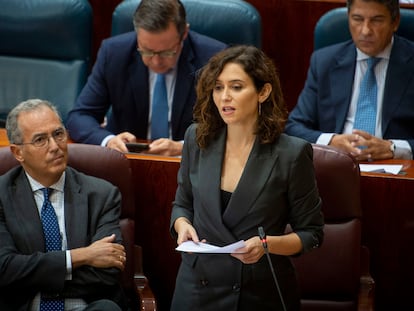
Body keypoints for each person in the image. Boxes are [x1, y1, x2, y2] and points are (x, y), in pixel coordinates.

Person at [169, 45, 324, 311]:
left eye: (236, 87)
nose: (224, 97)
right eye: (218, 87)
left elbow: (312, 234)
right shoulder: (196, 138)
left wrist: (267, 245)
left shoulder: (292, 154)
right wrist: (182, 226)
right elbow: (182, 205)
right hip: (196, 288)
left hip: (257, 291)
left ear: (263, 92)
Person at [0, 99, 127, 310]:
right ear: (17, 152)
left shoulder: (102, 194)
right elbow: (4, 269)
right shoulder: (2, 195)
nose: (55, 146)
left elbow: (108, 272)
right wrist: (81, 256)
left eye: (58, 134)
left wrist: (32, 277)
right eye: (40, 140)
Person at [66, 0, 227, 156]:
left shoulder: (213, 59)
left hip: (188, 165)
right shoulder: (114, 53)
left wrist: (183, 147)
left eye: (166, 52)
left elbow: (228, 124)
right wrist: (108, 140)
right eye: (147, 51)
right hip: (129, 162)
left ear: (184, 33)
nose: (156, 62)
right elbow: (79, 116)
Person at [285, 0, 414, 161]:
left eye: (377, 20)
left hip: (396, 172)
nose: (366, 31)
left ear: (395, 22)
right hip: (336, 166)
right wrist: (331, 142)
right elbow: (293, 127)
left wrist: (393, 148)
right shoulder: (324, 62)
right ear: (348, 18)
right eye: (358, 19)